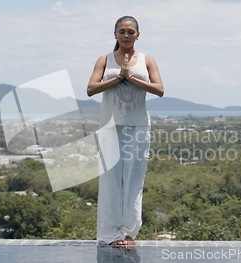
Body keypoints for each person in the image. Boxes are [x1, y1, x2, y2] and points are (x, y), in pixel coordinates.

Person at [87, 15, 164, 249]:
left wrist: (131, 78)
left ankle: (129, 234)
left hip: (138, 126)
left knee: (133, 180)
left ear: (138, 35)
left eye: (131, 32)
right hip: (110, 127)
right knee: (110, 180)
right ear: (115, 34)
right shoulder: (105, 59)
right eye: (122, 31)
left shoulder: (146, 60)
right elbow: (91, 88)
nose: (126, 35)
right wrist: (119, 77)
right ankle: (110, 234)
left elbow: (159, 89)